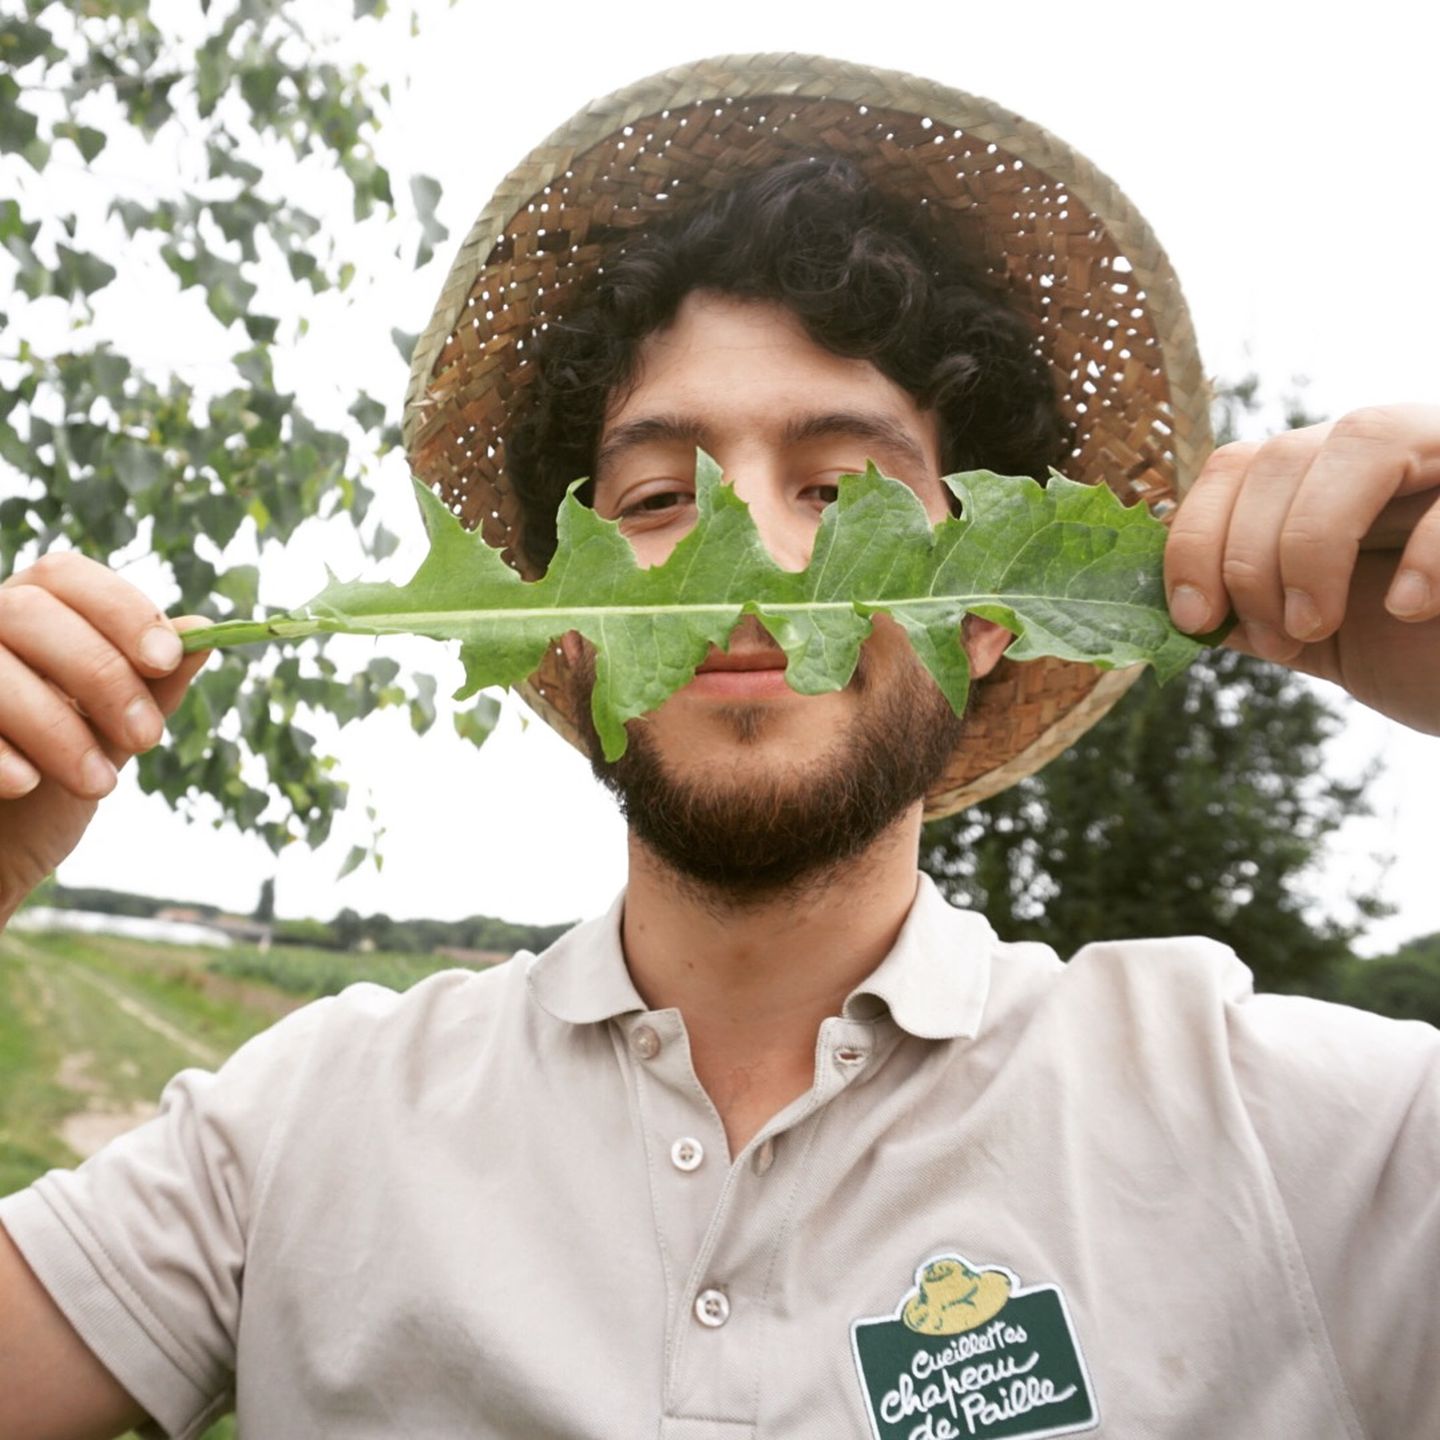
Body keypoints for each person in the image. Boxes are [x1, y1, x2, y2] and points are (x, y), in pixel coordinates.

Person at [1, 54, 1437, 1440]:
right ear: (561, 623)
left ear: (991, 614)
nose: (745, 569)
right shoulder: (297, 1127)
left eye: (838, 489)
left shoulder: (1291, 1138)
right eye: (651, 499)